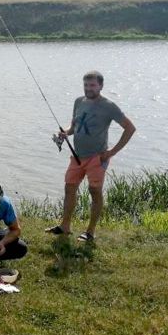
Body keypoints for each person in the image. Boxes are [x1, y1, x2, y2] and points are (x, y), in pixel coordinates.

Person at [45, 71, 136, 241]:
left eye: (92, 85)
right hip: (77, 156)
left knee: (94, 191)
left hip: (97, 157)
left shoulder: (109, 106)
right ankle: (65, 226)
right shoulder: (79, 102)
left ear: (101, 86)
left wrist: (111, 152)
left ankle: (90, 232)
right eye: (86, 85)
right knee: (69, 188)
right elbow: (73, 127)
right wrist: (64, 133)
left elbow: (130, 128)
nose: (89, 88)